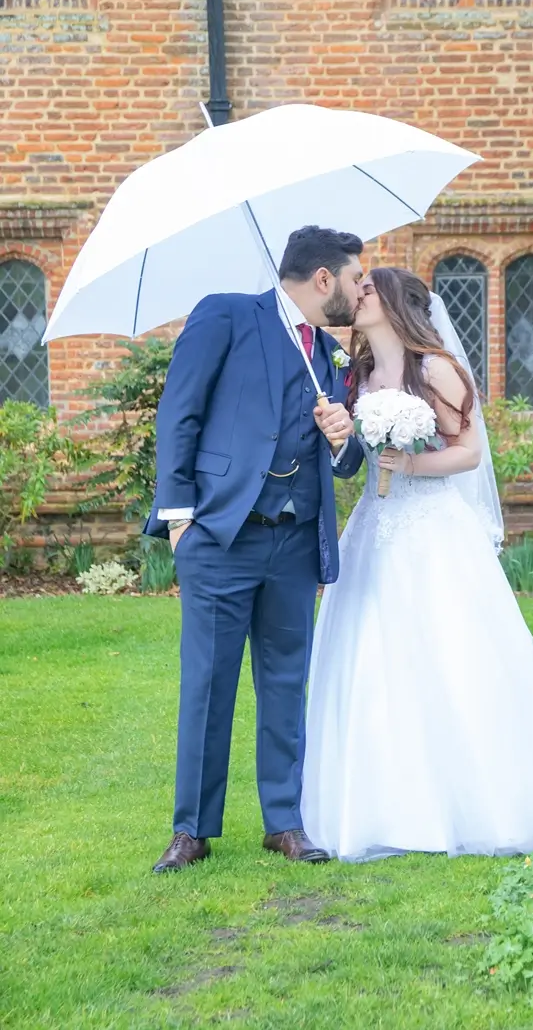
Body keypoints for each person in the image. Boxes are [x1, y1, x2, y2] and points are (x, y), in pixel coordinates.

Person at [301, 267, 533, 862]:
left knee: (448, 651)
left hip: (434, 530)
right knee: (372, 656)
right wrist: (342, 437)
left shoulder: (436, 368)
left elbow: (469, 452)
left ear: (394, 303)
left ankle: (473, 797)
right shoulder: (358, 375)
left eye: (368, 289)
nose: (357, 295)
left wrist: (409, 464)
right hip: (375, 527)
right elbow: (352, 458)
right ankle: (386, 801)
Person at [144, 226, 365, 871]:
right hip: (219, 538)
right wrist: (180, 518)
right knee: (208, 685)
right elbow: (178, 413)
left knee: (286, 683)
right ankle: (192, 830)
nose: (360, 289)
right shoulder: (227, 315)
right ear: (322, 279)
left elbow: (346, 464)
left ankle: (285, 824)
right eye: (354, 278)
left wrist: (341, 435)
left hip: (294, 543)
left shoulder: (325, 354)